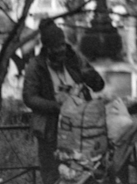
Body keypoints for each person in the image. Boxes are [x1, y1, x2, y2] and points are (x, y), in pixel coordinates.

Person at [22, 19, 106, 184]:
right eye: (55, 47)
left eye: (62, 45)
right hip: (50, 131)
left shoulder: (74, 58)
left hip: (80, 131)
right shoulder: (35, 66)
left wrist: (90, 76)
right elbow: (29, 97)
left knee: (84, 176)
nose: (60, 50)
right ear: (47, 48)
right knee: (53, 177)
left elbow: (99, 86)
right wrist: (56, 107)